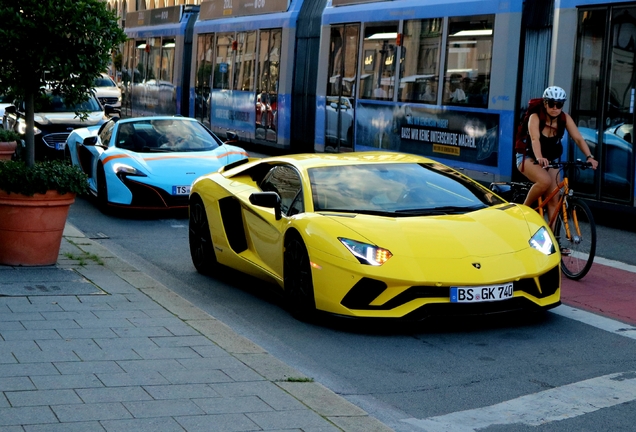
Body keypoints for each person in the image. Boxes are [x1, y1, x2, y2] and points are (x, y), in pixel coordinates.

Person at [517, 86, 598, 228]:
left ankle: (553, 239)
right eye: (551, 104)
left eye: (559, 104)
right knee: (544, 181)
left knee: (554, 200)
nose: (555, 108)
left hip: (550, 160)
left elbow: (578, 138)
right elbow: (535, 139)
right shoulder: (534, 117)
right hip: (528, 156)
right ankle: (524, 210)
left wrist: (589, 156)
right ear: (545, 103)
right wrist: (540, 157)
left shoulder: (564, 118)